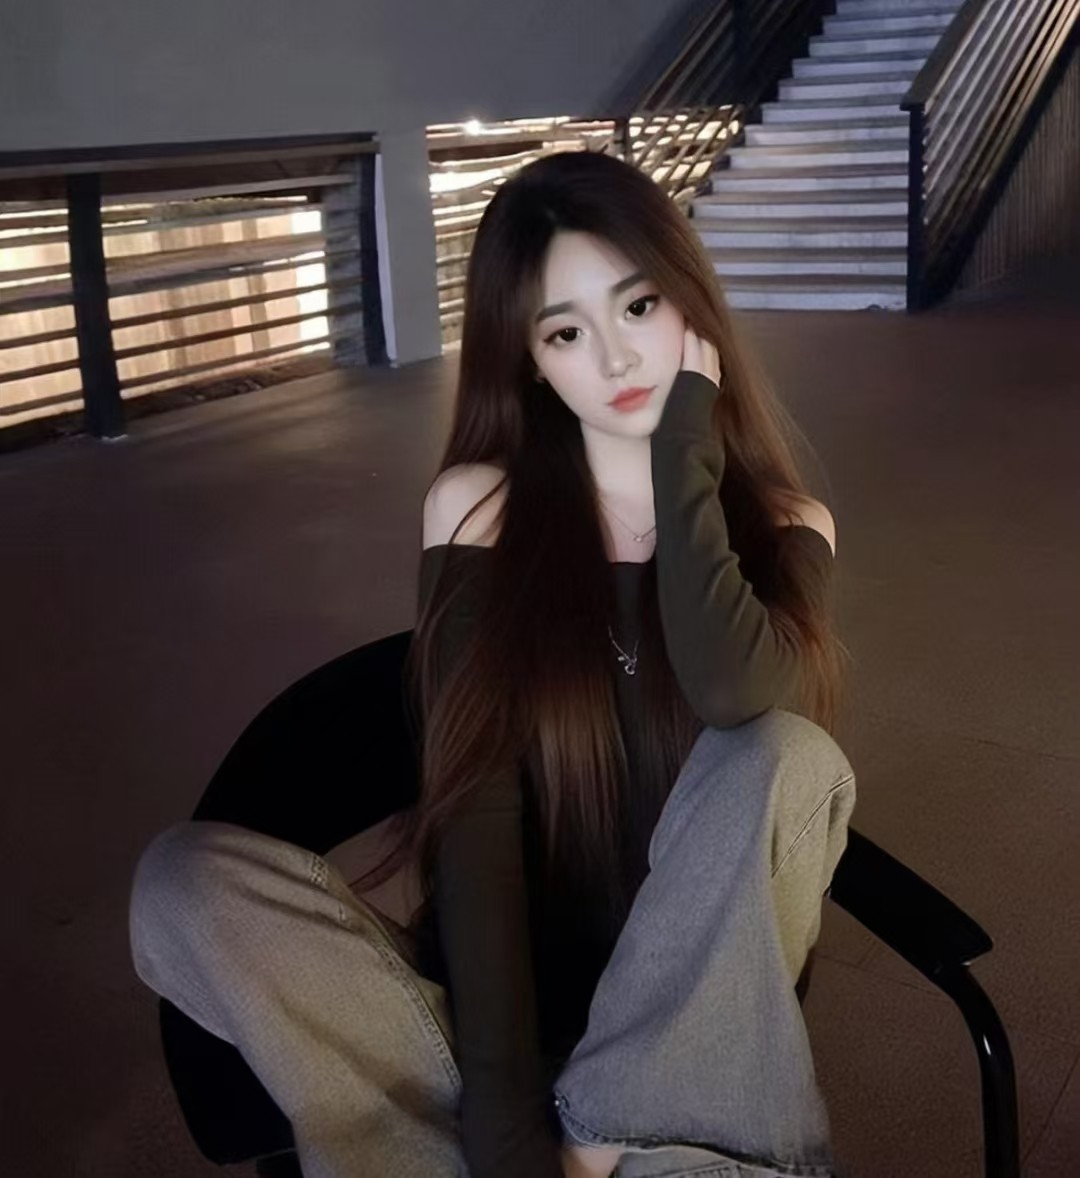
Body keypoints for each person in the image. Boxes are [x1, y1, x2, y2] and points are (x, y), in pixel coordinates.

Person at [130, 148, 856, 1178]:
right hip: (485, 1032)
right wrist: (510, 1131)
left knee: (785, 756)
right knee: (181, 883)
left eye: (639, 306)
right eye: (567, 331)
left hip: (692, 1046)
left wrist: (681, 449)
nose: (616, 358)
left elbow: (734, 691)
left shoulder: (790, 526)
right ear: (531, 361)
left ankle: (607, 1127)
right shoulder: (480, 509)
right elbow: (474, 821)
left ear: (692, 309)